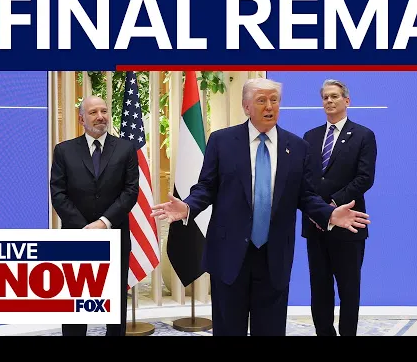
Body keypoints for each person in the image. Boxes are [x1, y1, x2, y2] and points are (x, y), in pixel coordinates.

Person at [150, 78, 371, 336]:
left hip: (273, 257)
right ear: (246, 107)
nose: (269, 106)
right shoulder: (222, 141)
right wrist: (188, 207)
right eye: (262, 100)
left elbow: (306, 196)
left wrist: (329, 214)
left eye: (274, 100)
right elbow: (207, 187)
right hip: (230, 255)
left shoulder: (297, 147)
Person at [50, 95, 139, 336]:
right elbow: (58, 194)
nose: (100, 116)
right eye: (93, 112)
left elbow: (130, 192)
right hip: (76, 239)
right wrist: (86, 229)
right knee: (76, 306)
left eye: (104, 111)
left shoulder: (126, 149)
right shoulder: (64, 151)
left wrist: (103, 223)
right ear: (81, 119)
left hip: (115, 236)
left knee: (114, 305)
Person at [301, 79, 377, 336]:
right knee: (319, 289)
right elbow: (305, 180)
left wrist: (332, 205)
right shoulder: (310, 137)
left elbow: (364, 178)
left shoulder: (363, 135)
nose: (329, 101)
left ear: (347, 100)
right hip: (315, 226)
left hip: (349, 225)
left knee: (348, 290)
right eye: (325, 97)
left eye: (334, 96)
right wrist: (317, 211)